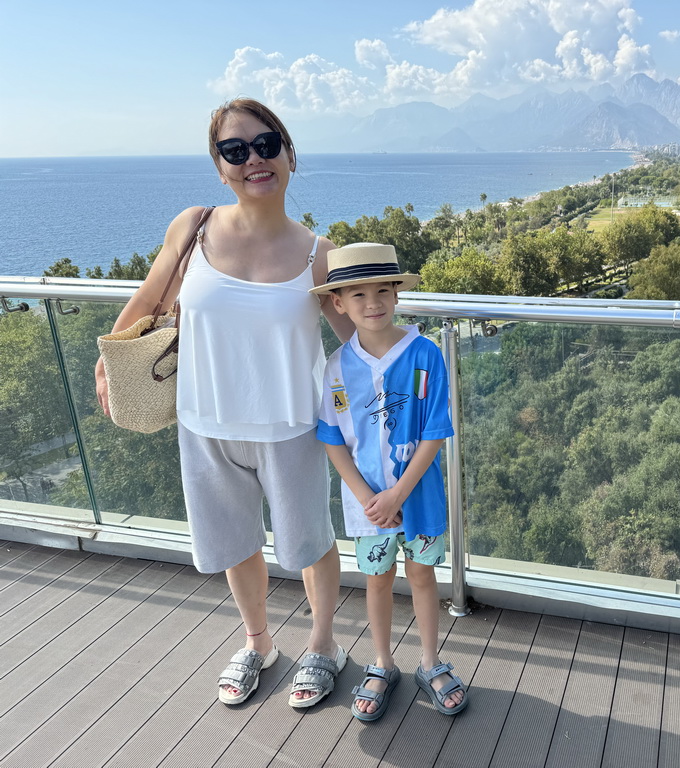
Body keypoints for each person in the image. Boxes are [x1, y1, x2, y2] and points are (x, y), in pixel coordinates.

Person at [95, 99, 354, 709]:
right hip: (205, 421)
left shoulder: (319, 253)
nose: (253, 160)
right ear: (219, 166)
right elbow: (148, 301)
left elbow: (358, 340)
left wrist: (408, 370)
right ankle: (259, 642)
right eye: (234, 151)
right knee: (236, 543)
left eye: (266, 145)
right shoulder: (192, 229)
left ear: (290, 154)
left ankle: (322, 646)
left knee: (311, 541)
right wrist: (107, 362)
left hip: (291, 424)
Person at [311, 242, 469, 721]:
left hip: (419, 500)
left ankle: (429, 661)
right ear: (339, 303)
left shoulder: (425, 355)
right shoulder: (337, 368)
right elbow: (332, 438)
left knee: (423, 576)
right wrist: (367, 498)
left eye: (384, 290)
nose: (373, 302)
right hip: (366, 507)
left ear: (398, 294)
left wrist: (397, 493)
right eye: (357, 294)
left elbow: (435, 431)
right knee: (375, 581)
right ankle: (382, 664)